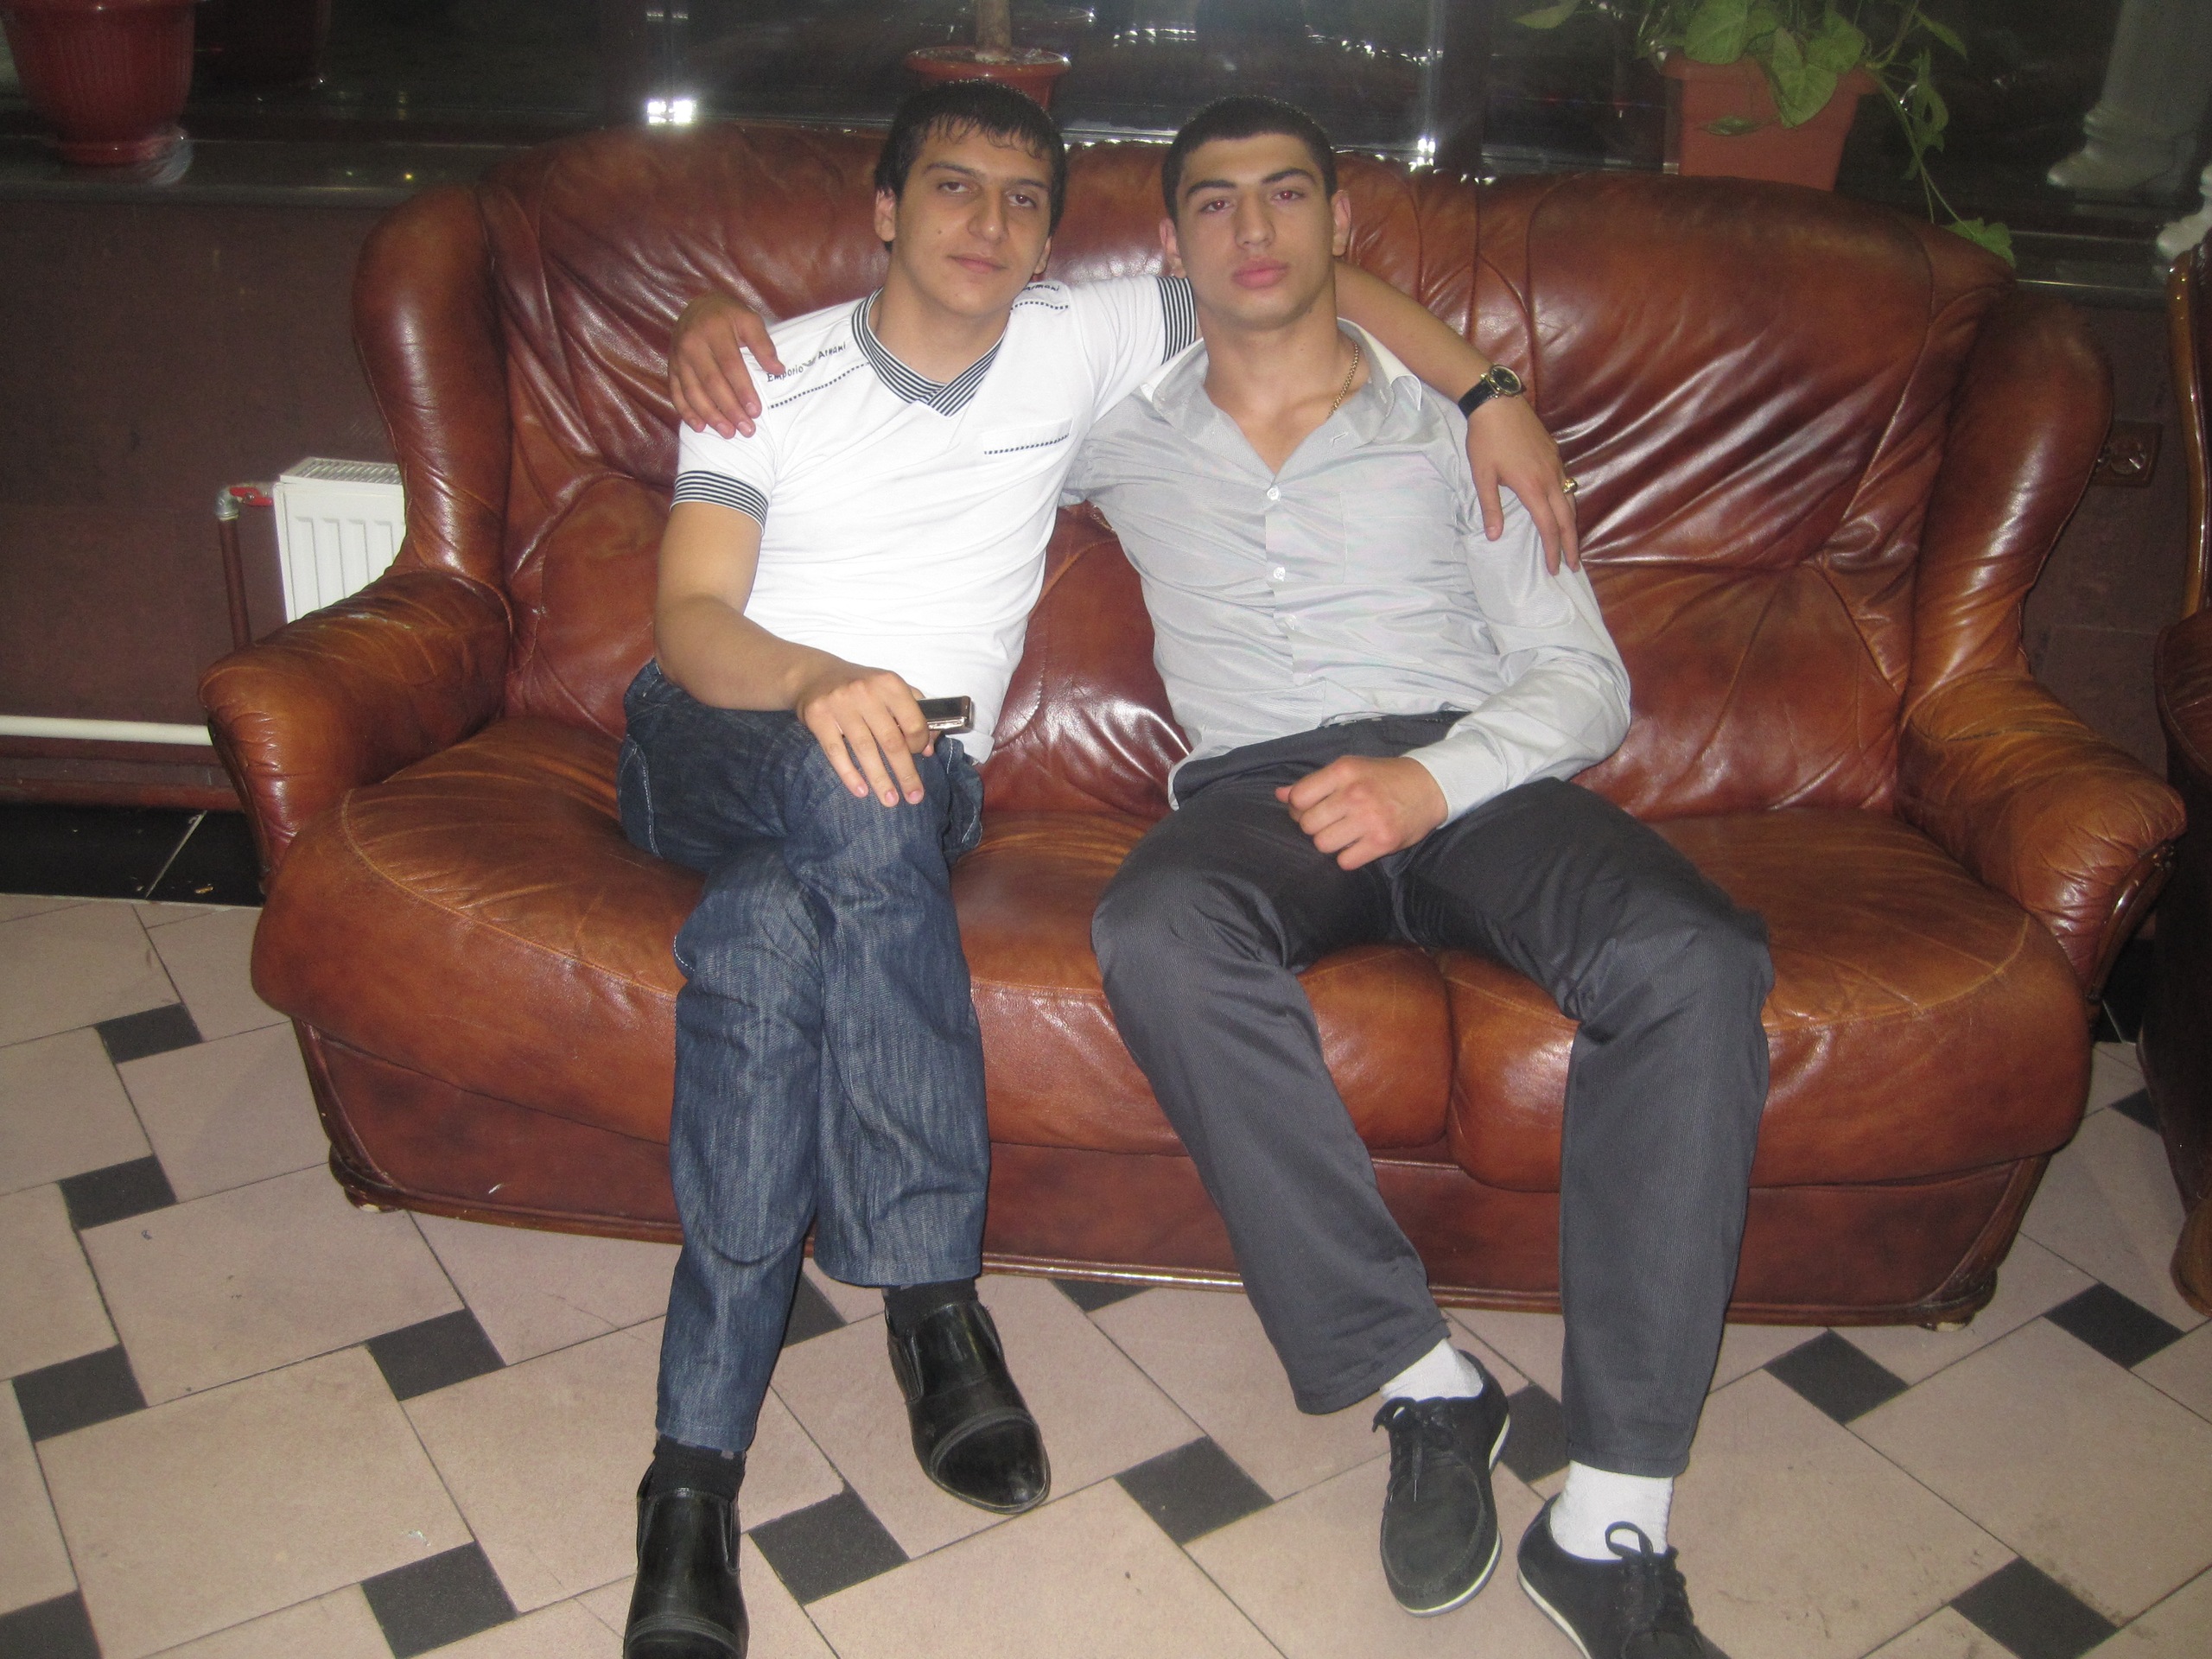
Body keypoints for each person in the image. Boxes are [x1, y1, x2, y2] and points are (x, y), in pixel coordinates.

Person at [628, 79, 1577, 1659]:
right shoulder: (765, 372)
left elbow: (1317, 283)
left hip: (911, 785)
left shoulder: (1079, 341)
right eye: (952, 187)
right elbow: (688, 622)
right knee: (856, 784)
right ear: (884, 211)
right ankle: (932, 1300)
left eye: (1023, 200)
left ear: (1052, 238)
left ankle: (690, 1477)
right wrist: (815, 682)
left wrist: (1488, 394)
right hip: (719, 735)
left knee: (761, 946)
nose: (988, 223)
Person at [1063, 97, 1775, 1656]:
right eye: (1217, 203)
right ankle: (1421, 1380)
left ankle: (1611, 1523)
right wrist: (725, 330)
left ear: (1338, 224)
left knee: (1696, 960)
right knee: (1156, 926)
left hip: (1471, 771)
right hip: (1260, 793)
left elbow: (1582, 680)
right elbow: (923, 382)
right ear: (1174, 243)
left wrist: (1429, 781)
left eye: (1287, 194)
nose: (1255, 229)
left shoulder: (1458, 430)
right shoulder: (1110, 422)